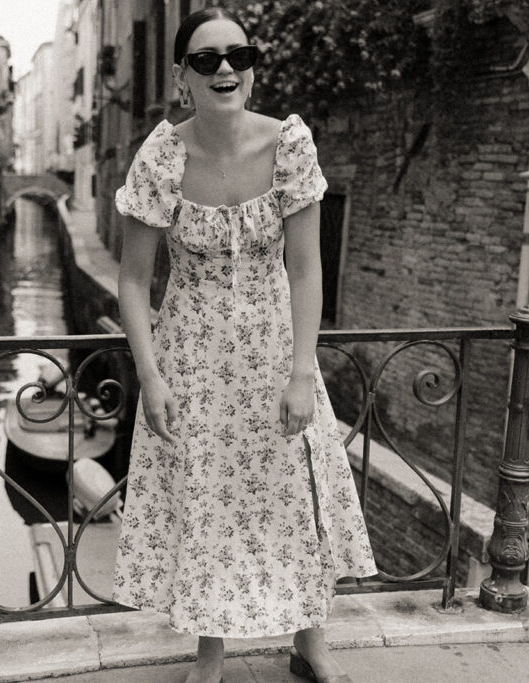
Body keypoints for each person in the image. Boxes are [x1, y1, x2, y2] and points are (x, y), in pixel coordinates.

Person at [112, 8, 377, 683]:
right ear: (181, 77)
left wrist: (300, 372)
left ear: (254, 69)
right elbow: (135, 280)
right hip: (190, 358)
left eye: (238, 54)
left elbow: (306, 268)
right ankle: (210, 650)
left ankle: (310, 641)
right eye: (205, 59)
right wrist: (150, 376)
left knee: (297, 492)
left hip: (276, 352)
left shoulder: (290, 144)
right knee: (204, 499)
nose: (224, 67)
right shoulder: (161, 156)